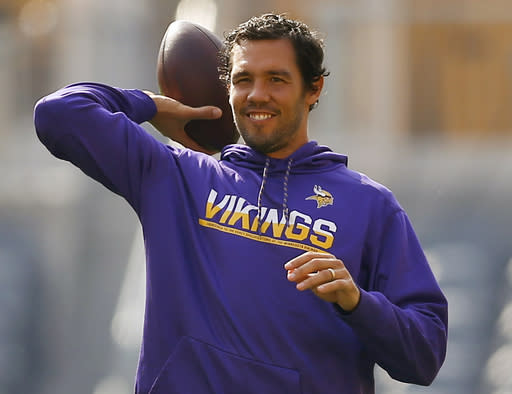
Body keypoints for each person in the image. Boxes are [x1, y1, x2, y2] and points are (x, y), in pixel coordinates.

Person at [34, 13, 447, 394]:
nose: (257, 95)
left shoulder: (370, 205)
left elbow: (424, 356)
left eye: (277, 79)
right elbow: (58, 114)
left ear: (313, 88)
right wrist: (151, 104)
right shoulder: (176, 177)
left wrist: (357, 302)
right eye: (243, 79)